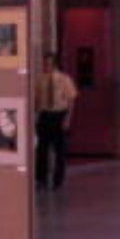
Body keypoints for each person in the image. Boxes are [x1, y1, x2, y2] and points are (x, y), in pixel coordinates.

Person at [34, 51, 78, 190]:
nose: (47, 65)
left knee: (59, 150)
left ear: (55, 63)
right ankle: (41, 179)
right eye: (45, 62)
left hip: (59, 115)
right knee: (42, 149)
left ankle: (58, 180)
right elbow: (37, 100)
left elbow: (71, 100)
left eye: (49, 62)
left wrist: (67, 119)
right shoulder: (40, 79)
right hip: (45, 116)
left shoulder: (65, 79)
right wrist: (35, 117)